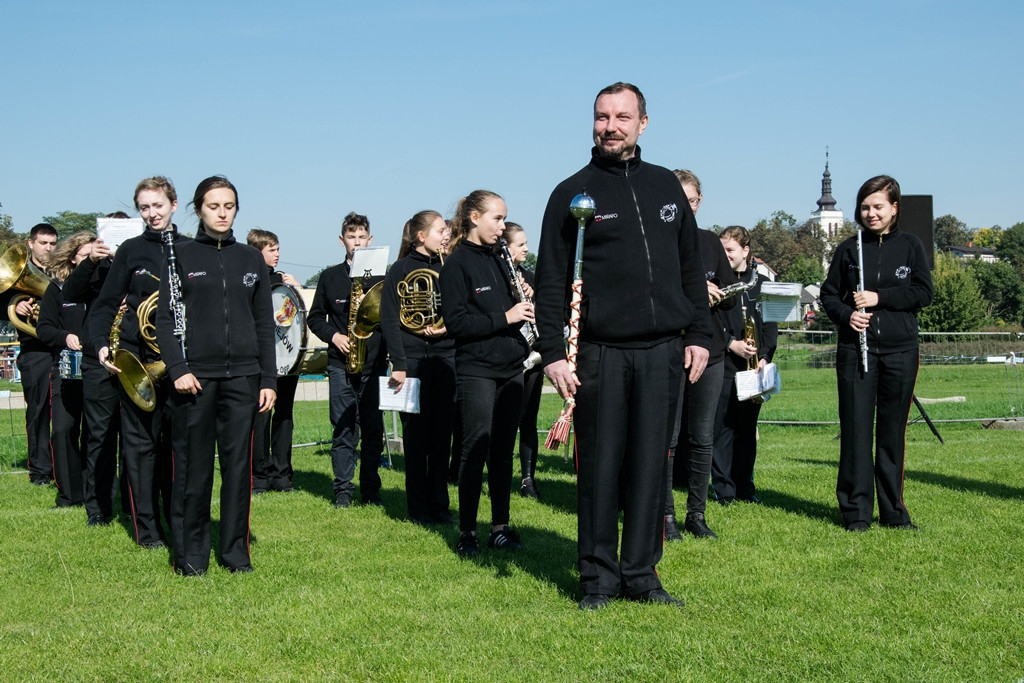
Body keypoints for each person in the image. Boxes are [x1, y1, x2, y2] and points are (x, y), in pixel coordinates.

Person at [534, 83, 712, 610]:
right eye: (601, 117)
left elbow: (689, 270)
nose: (610, 126)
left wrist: (700, 334)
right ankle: (597, 580)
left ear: (643, 123)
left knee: (649, 468)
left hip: (662, 351)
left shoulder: (666, 187)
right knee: (600, 468)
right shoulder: (572, 193)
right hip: (599, 353)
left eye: (622, 117)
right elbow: (550, 280)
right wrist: (552, 353)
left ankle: (641, 575)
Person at [156, 175, 277, 575]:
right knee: (192, 471)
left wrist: (268, 380)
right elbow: (166, 320)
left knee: (238, 471)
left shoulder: (250, 259)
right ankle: (190, 556)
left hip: (244, 379)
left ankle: (235, 554)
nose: (222, 213)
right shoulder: (181, 256)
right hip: (194, 381)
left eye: (229, 206)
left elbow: (264, 323)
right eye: (213, 206)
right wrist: (178, 369)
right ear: (198, 209)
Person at [820, 175, 932, 532]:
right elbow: (829, 295)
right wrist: (847, 315)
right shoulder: (849, 250)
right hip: (856, 353)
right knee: (855, 432)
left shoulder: (912, 246)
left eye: (878, 206)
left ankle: (894, 511)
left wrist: (880, 298)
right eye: (865, 207)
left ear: (894, 208)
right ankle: (856, 512)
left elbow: (922, 293)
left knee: (891, 433)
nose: (871, 213)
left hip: (900, 350)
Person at [90, 177, 185, 549]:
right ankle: (147, 531)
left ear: (173, 205)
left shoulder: (193, 249)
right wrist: (100, 345)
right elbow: (105, 305)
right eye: (144, 207)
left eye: (158, 205)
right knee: (140, 448)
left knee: (175, 449)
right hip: (137, 360)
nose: (152, 214)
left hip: (179, 364)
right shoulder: (130, 250)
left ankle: (176, 520)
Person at [439, 190, 532, 558]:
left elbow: (509, 307)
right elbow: (458, 322)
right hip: (477, 368)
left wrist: (522, 296)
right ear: (475, 217)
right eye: (497, 218)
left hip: (512, 368)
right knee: (474, 448)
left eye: (504, 219)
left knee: (502, 451)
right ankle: (466, 532)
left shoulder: (501, 258)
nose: (503, 226)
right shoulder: (458, 263)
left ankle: (500, 527)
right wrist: (505, 317)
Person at [663, 170, 738, 540]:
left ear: (700, 202)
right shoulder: (658, 241)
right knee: (668, 437)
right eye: (679, 200)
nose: (685, 207)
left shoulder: (710, 242)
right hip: (671, 349)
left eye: (691, 200)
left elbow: (732, 295)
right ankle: (666, 516)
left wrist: (718, 294)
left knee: (703, 436)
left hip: (711, 350)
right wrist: (691, 289)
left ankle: (697, 513)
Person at [380, 210, 456, 524]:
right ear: (421, 236)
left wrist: (447, 328)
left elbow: (462, 310)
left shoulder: (450, 266)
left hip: (444, 358)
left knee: (442, 438)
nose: (446, 235)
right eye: (440, 230)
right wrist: (398, 363)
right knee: (415, 439)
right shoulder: (399, 269)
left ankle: (440, 505)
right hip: (410, 361)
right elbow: (389, 319)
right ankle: (418, 508)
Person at [308, 212, 387, 508]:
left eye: (361, 237)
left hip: (375, 365)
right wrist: (334, 336)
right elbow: (315, 317)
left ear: (370, 240)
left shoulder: (383, 278)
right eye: (351, 237)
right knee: (342, 430)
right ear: (342, 241)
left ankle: (371, 490)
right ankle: (343, 490)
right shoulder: (329, 277)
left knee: (373, 430)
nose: (357, 242)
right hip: (341, 363)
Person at [62, 213, 127, 526]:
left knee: (137, 437)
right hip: (97, 360)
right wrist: (89, 260)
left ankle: (134, 504)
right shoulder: (95, 266)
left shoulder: (141, 264)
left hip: (135, 357)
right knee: (99, 436)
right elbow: (69, 294)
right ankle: (98, 509)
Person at [712, 225, 777, 506]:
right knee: (723, 429)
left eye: (730, 250)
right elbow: (710, 322)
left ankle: (745, 486)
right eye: (722, 250)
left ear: (745, 251)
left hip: (754, 369)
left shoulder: (762, 285)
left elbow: (771, 326)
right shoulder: (716, 284)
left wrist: (764, 356)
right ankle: (724, 489)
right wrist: (730, 344)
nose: (725, 255)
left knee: (747, 431)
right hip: (725, 365)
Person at [36, 231, 96, 508]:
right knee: (63, 429)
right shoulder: (57, 288)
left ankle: (95, 492)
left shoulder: (105, 285)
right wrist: (65, 337)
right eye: (84, 257)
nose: (89, 262)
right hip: (67, 370)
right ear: (73, 258)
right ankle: (70, 495)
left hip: (99, 369)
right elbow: (44, 328)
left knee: (97, 433)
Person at [247, 228, 301, 495]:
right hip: (261, 360)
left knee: (285, 416)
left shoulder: (283, 280)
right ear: (258, 252)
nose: (277, 254)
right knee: (261, 417)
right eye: (272, 249)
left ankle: (282, 474)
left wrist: (296, 289)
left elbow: (295, 316)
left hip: (288, 360)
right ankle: (259, 475)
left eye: (278, 249)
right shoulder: (248, 280)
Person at [12, 223, 58, 485]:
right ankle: (40, 470)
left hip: (60, 347)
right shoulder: (17, 276)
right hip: (34, 350)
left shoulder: (61, 271)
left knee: (66, 412)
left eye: (52, 243)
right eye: (43, 243)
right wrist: (16, 305)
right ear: (31, 244)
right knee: (38, 410)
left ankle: (64, 465)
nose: (48, 248)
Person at [501, 222, 544, 499]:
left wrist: (533, 299)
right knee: (504, 421)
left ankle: (528, 478)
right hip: (507, 356)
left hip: (532, 354)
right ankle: (499, 473)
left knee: (528, 420)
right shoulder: (499, 276)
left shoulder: (529, 276)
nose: (526, 249)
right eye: (520, 244)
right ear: (506, 247)